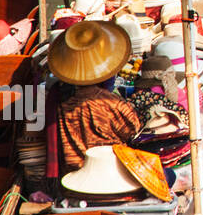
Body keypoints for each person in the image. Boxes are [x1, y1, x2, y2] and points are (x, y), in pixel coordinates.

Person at [51, 22, 142, 172]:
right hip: (113, 170)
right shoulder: (112, 103)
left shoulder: (65, 107)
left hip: (79, 173)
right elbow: (133, 131)